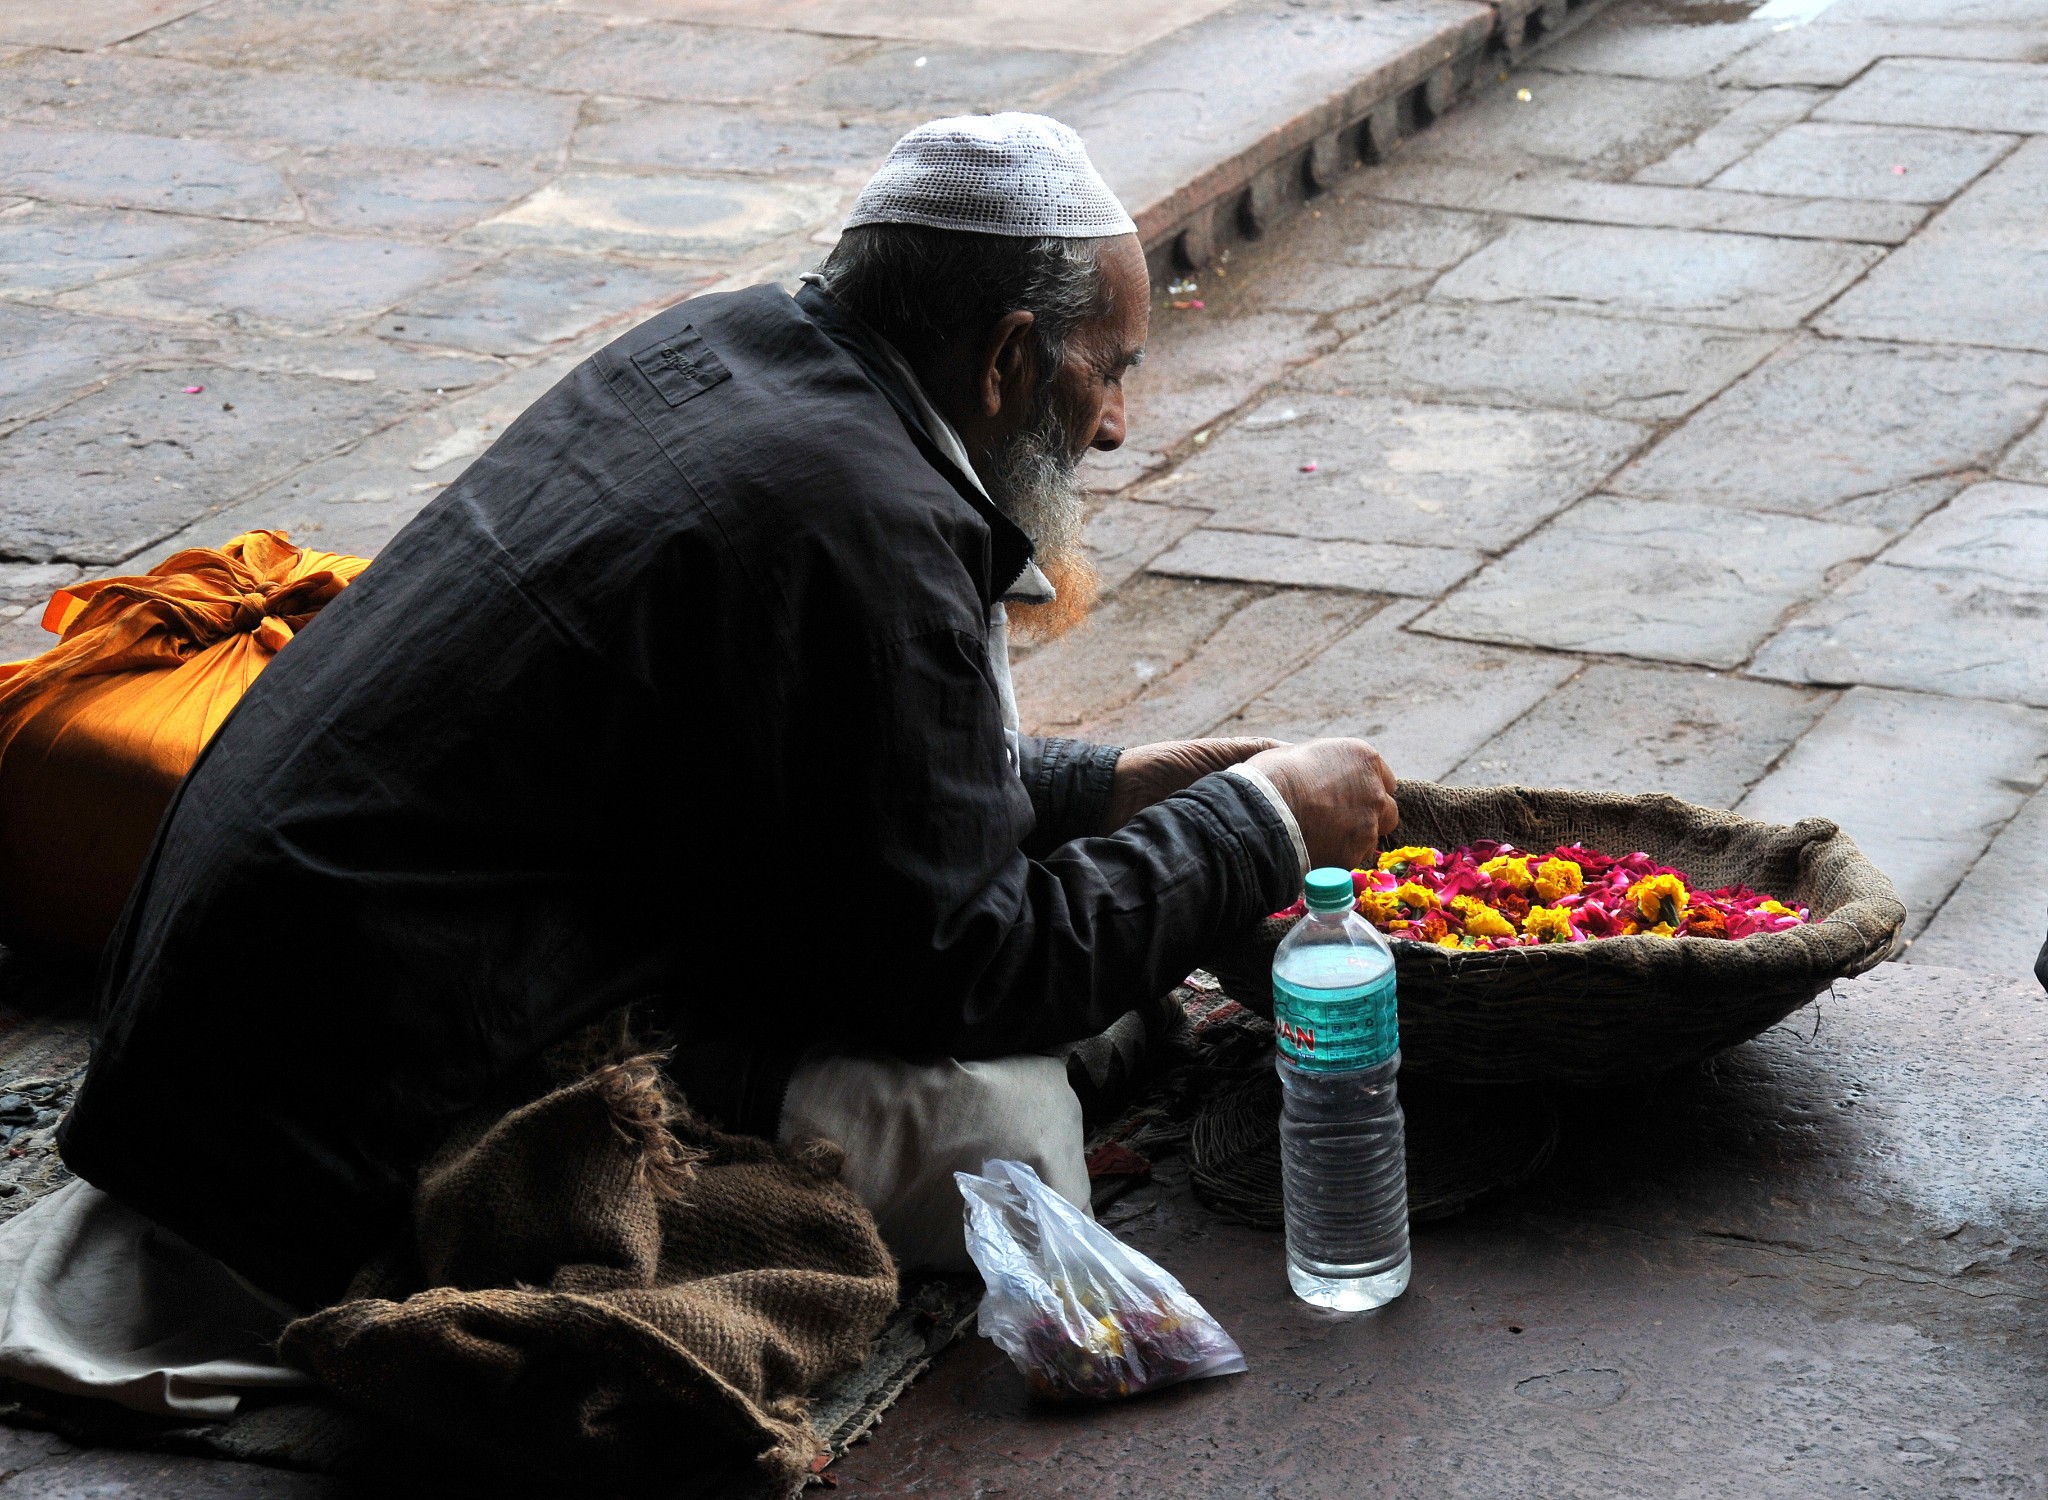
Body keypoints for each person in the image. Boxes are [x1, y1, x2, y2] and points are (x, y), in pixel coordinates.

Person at [3, 113, 1397, 1416]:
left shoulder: (733, 351)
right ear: (1007, 356)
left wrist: (1110, 786)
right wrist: (1258, 824)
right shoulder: (864, 516)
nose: (1112, 426)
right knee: (1009, 1116)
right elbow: (966, 966)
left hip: (229, 1037)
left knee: (1059, 1009)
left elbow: (820, 756)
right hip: (322, 1128)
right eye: (1111, 371)